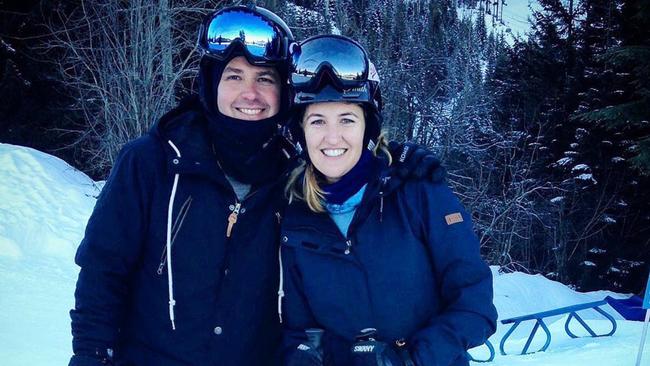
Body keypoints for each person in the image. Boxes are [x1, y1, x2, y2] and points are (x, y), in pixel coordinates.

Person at [69, 5, 443, 366]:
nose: (250, 94)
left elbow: (348, 163)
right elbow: (103, 271)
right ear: (211, 84)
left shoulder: (298, 179)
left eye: (264, 79)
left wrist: (395, 163)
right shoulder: (152, 162)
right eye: (234, 77)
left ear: (285, 94)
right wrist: (90, 355)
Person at [279, 35, 498, 366]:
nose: (332, 137)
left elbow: (475, 304)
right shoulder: (297, 217)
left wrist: (412, 359)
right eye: (317, 121)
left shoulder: (417, 192)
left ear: (368, 127)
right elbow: (301, 330)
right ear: (302, 132)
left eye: (347, 119)